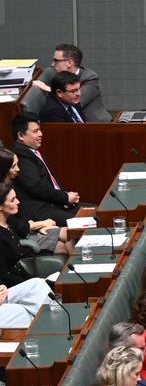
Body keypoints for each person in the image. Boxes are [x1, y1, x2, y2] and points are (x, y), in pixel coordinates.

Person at [0, 183, 57, 327]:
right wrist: (32, 282)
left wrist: (35, 280)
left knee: (27, 309)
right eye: (12, 200)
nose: (18, 202)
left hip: (15, 285)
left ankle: (54, 326)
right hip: (6, 288)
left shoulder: (7, 226)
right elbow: (3, 276)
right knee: (36, 287)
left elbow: (16, 265)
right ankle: (57, 321)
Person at [10, 114, 80, 225]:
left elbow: (50, 182)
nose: (40, 134)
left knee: (95, 213)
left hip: (54, 204)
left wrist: (65, 198)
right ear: (21, 135)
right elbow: (36, 187)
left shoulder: (31, 151)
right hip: (42, 211)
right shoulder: (21, 156)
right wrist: (64, 197)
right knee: (84, 222)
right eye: (35, 131)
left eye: (40, 130)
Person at [0, 147, 71, 255]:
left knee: (71, 234)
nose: (18, 169)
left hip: (30, 229)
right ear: (4, 168)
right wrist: (39, 225)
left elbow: (23, 215)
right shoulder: (3, 194)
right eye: (13, 166)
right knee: (66, 246)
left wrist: (37, 226)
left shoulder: (12, 184)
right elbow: (15, 227)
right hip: (21, 239)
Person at [33, 44, 110, 122]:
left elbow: (76, 100)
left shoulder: (90, 77)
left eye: (56, 60)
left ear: (69, 63)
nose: (52, 64)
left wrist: (47, 88)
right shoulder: (57, 77)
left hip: (97, 124)